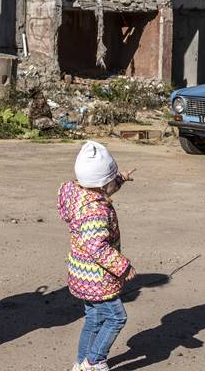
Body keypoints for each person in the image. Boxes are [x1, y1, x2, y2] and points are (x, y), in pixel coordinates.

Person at [58, 141, 137, 371]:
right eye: (113, 180)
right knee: (116, 318)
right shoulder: (96, 210)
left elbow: (103, 185)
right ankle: (95, 361)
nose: (115, 184)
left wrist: (120, 177)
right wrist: (122, 266)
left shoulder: (80, 194)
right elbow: (97, 247)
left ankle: (81, 363)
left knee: (93, 319)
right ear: (103, 184)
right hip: (98, 277)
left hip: (81, 273)